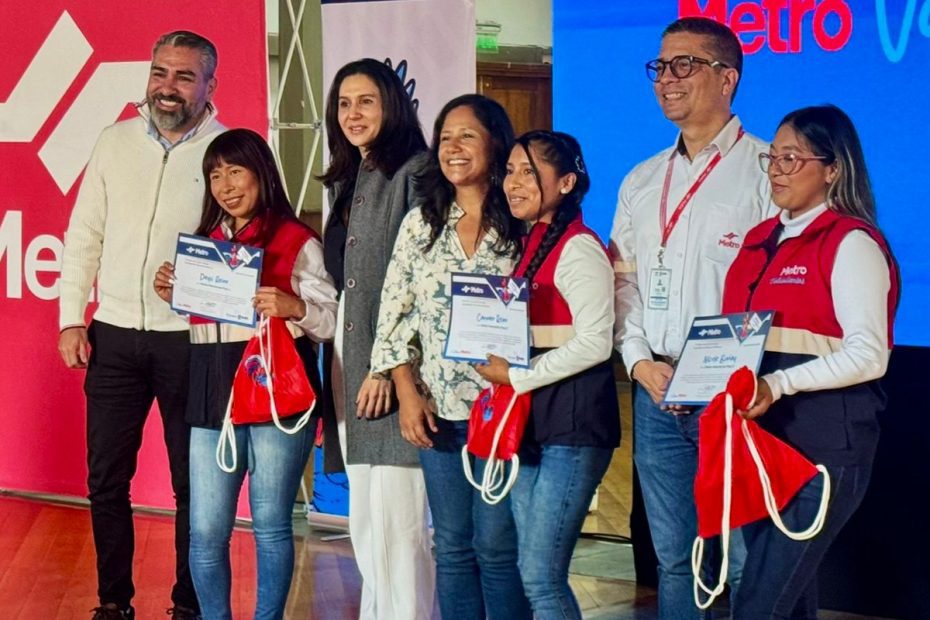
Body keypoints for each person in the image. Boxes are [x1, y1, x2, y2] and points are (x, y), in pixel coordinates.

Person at [610, 17, 773, 619]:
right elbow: (622, 285)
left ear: (728, 77)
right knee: (677, 558)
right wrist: (638, 361)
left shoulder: (766, 171)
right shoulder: (642, 178)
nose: (667, 79)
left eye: (685, 64)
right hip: (657, 389)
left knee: (746, 555)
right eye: (660, 66)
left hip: (734, 396)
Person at [57, 30, 224, 620]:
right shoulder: (114, 141)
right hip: (115, 336)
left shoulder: (231, 149)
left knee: (192, 487)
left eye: (183, 76)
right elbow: (84, 237)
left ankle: (187, 605)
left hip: (193, 343)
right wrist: (70, 319)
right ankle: (113, 603)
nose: (168, 87)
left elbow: (247, 240)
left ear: (209, 84)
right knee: (105, 480)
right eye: (160, 72)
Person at [153, 128, 338, 619]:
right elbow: (198, 322)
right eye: (215, 174)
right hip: (211, 392)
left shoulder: (297, 240)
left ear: (262, 174)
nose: (225, 184)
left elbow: (331, 321)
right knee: (206, 531)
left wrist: (293, 305)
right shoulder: (203, 245)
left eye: (236, 171)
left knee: (271, 524)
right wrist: (173, 292)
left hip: (276, 394)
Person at [722, 104, 898, 619]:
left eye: (792, 158)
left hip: (822, 449)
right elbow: (734, 342)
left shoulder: (851, 242)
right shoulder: (758, 241)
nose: (776, 169)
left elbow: (869, 355)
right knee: (788, 599)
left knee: (757, 603)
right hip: (761, 446)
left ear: (833, 167)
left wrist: (776, 386)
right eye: (772, 157)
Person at [370, 94, 532, 620]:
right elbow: (393, 313)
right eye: (445, 137)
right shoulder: (422, 222)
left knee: (497, 548)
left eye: (467, 136)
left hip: (504, 410)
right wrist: (407, 393)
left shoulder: (523, 224)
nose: (453, 148)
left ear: (496, 144)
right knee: (455, 547)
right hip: (436, 410)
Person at [475, 130, 620, 619]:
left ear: (567, 182)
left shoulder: (578, 248)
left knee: (540, 574)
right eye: (511, 171)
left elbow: (596, 341)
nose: (514, 183)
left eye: (529, 173)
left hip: (573, 426)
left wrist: (516, 375)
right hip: (532, 424)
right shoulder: (526, 243)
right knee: (530, 569)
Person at [318, 58, 434, 620]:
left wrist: (390, 368)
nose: (353, 113)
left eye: (366, 101)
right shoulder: (349, 177)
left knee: (399, 528)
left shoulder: (417, 171)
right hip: (348, 360)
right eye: (344, 103)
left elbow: (421, 284)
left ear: (393, 103)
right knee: (368, 524)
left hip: (390, 372)